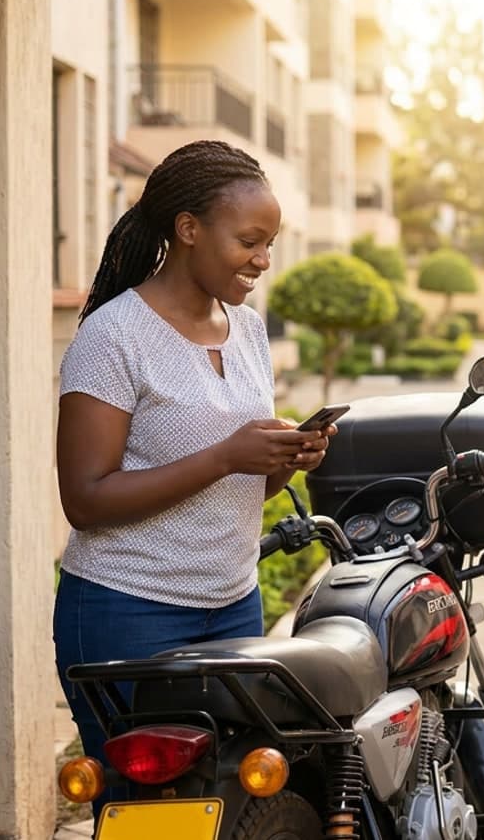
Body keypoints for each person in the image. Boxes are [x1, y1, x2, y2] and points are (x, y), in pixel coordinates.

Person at [52, 139, 334, 817]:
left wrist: (280, 461)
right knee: (146, 816)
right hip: (127, 612)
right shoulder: (113, 335)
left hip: (233, 603)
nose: (264, 259)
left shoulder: (248, 331)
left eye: (270, 243)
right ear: (188, 229)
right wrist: (227, 456)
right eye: (249, 240)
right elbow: (85, 499)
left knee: (232, 810)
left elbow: (239, 486)